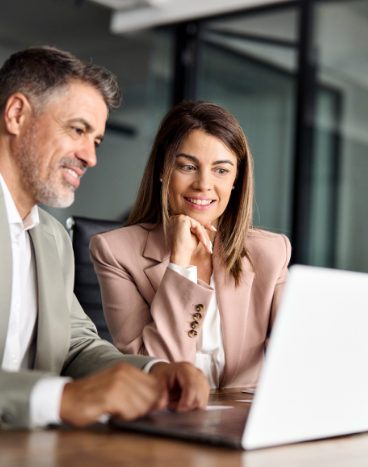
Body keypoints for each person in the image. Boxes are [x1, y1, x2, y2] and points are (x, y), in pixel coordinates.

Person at [0, 46, 209, 429]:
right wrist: (57, 398)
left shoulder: (50, 235)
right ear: (17, 115)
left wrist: (155, 371)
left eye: (96, 140)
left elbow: (76, 347)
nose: (90, 157)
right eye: (78, 130)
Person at [90, 101, 291, 389]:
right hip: (164, 418)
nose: (203, 184)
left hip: (243, 420)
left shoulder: (271, 252)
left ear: (237, 179)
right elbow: (155, 367)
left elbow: (295, 353)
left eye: (221, 170)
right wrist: (179, 264)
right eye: (188, 166)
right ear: (163, 169)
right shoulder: (114, 252)